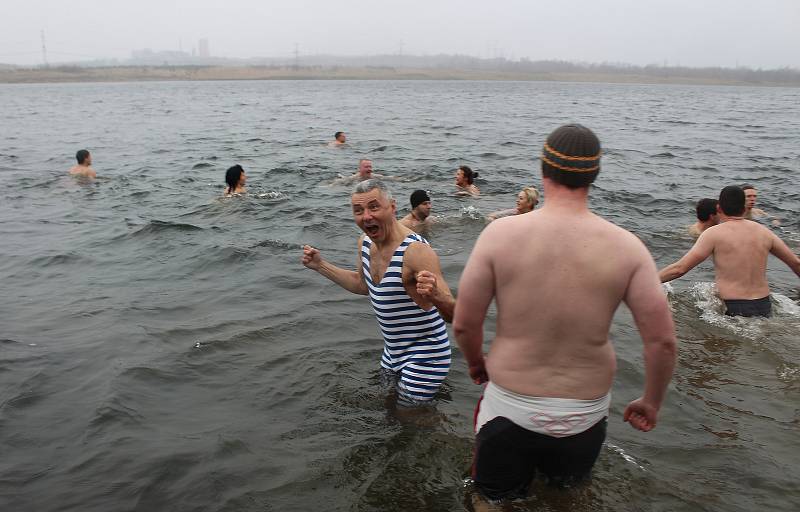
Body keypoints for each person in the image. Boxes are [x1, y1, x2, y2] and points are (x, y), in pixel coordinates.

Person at [453, 124, 676, 503]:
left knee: (490, 499)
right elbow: (662, 341)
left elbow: (465, 322)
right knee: (569, 499)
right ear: (594, 174)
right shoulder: (628, 248)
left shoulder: (500, 235)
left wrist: (476, 362)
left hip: (510, 405)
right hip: (584, 415)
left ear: (543, 169)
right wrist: (651, 401)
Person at [301, 179, 455, 405]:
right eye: (358, 210)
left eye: (374, 207)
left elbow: (456, 316)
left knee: (409, 420)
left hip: (427, 353)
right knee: (388, 411)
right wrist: (320, 266)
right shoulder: (364, 242)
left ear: (392, 207)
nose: (366, 216)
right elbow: (363, 285)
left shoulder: (416, 251)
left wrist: (436, 296)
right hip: (392, 353)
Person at [659, 185, 800, 318]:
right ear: (744, 208)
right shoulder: (765, 232)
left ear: (719, 208)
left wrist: (648, 280)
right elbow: (796, 264)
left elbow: (680, 269)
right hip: (764, 305)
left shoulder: (713, 234)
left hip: (733, 308)